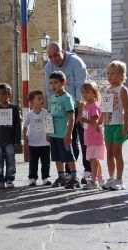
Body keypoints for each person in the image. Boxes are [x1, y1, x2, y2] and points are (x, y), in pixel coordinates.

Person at [45, 42, 91, 183]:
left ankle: (88, 170)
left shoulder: (76, 63)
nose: (54, 59)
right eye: (50, 56)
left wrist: (80, 112)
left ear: (63, 51)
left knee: (84, 138)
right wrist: (50, 113)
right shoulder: (49, 66)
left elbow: (81, 88)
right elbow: (49, 90)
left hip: (81, 103)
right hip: (61, 106)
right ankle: (69, 172)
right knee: (67, 139)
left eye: (56, 55)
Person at [99, 60, 128, 190]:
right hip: (108, 125)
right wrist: (99, 122)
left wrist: (126, 126)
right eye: (108, 73)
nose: (109, 76)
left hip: (118, 124)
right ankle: (111, 178)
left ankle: (120, 180)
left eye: (113, 73)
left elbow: (127, 109)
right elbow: (104, 108)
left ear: (121, 75)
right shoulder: (106, 90)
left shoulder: (122, 89)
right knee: (109, 153)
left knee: (117, 152)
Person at [48, 71, 80, 189]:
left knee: (68, 156)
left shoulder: (67, 98)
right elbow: (49, 116)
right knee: (57, 157)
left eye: (55, 83)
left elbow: (71, 117)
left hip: (63, 134)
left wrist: (69, 134)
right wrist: (48, 132)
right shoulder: (51, 98)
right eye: (51, 83)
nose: (53, 86)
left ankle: (74, 177)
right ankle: (61, 176)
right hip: (54, 134)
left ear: (63, 83)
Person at [0, 83, 21, 189]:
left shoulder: (14, 109)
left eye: (4, 94)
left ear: (9, 95)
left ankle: (10, 179)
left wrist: (17, 140)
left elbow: (18, 125)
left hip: (10, 140)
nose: (1, 96)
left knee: (11, 160)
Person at [23, 90, 52, 187]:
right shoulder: (29, 115)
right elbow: (25, 126)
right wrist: (25, 136)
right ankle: (32, 178)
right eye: (39, 99)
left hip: (45, 143)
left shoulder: (47, 113)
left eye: (42, 98)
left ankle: (45, 177)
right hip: (33, 143)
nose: (42, 100)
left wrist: (48, 135)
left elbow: (49, 126)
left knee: (46, 162)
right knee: (33, 162)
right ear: (31, 102)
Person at [80, 82, 105, 190]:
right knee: (95, 159)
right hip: (90, 137)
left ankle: (94, 180)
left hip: (94, 137)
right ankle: (99, 179)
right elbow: (85, 124)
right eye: (83, 92)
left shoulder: (94, 105)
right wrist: (83, 121)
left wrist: (86, 120)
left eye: (87, 92)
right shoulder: (87, 105)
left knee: (93, 159)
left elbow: (95, 121)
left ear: (94, 93)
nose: (85, 94)